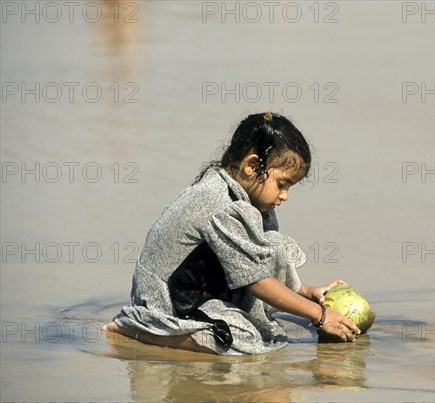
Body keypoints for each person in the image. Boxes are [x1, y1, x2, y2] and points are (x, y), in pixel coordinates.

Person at [102, 112, 360, 355]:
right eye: (282, 184)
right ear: (251, 166)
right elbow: (256, 280)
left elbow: (260, 262)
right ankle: (143, 330)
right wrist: (319, 315)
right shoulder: (218, 204)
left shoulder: (251, 198)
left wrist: (308, 292)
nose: (285, 196)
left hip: (204, 283)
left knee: (274, 248)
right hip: (170, 299)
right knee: (246, 340)